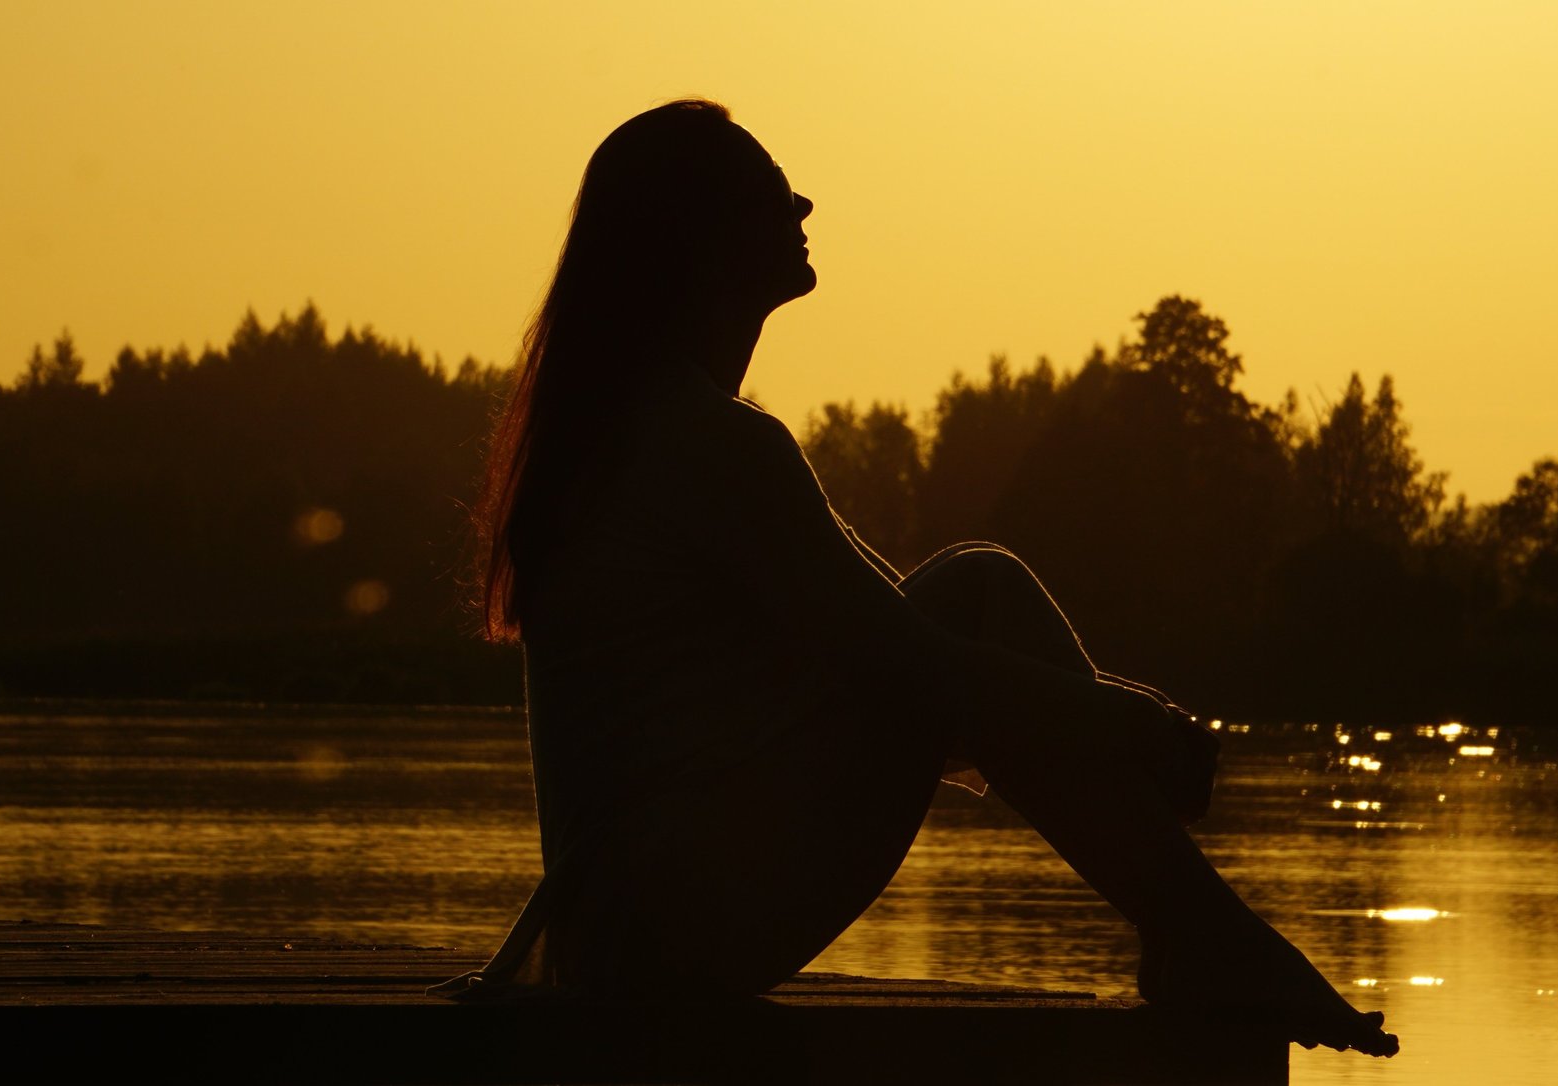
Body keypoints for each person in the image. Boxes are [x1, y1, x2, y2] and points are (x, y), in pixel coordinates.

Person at [435, 98, 1396, 1059]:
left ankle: (1203, 938)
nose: (803, 205)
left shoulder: (651, 427)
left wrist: (1099, 719)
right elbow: (918, 665)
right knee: (981, 592)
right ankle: (1209, 939)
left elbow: (907, 642)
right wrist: (1129, 724)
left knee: (978, 594)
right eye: (772, 193)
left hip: (633, 926)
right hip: (665, 932)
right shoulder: (703, 442)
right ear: (698, 239)